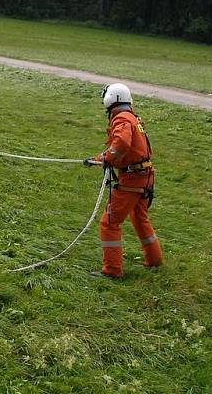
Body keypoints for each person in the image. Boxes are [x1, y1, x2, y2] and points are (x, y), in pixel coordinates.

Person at [84, 83, 164, 278]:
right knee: (140, 219)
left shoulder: (121, 119)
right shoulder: (132, 118)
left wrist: (108, 159)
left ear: (111, 98)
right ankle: (154, 261)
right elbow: (125, 148)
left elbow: (121, 143)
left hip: (132, 181)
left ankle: (112, 270)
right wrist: (98, 159)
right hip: (145, 178)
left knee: (109, 223)